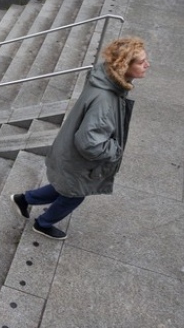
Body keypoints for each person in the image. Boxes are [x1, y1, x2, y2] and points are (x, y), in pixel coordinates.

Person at [10, 37, 150, 240]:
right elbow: (89, 143)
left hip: (70, 154)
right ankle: (43, 223)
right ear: (123, 66)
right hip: (79, 160)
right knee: (74, 195)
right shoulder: (106, 99)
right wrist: (114, 149)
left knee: (67, 188)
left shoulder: (106, 80)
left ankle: (24, 199)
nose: (147, 65)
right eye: (140, 62)